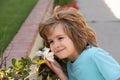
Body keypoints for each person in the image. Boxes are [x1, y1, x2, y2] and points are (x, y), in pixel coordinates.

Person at [39, 6, 120, 80]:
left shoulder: (94, 55)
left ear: (75, 35)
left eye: (60, 38)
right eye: (51, 41)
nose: (55, 45)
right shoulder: (71, 64)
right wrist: (60, 73)